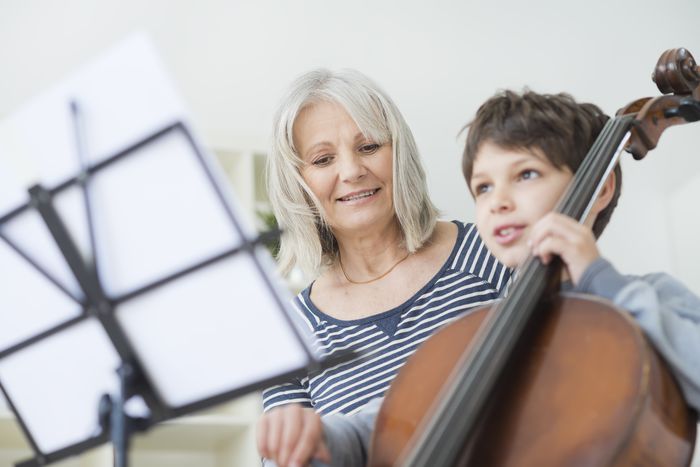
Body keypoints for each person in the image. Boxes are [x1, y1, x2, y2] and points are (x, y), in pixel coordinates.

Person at [262, 87, 700, 466]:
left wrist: (600, 279)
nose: (498, 202)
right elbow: (388, 420)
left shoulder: (646, 297)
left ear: (596, 185)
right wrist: (322, 437)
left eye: (526, 175)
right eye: (483, 188)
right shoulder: (476, 337)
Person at [256, 69, 510, 467]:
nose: (352, 171)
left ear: (399, 152)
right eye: (323, 159)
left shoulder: (491, 251)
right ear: (297, 183)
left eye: (369, 146)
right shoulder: (293, 335)